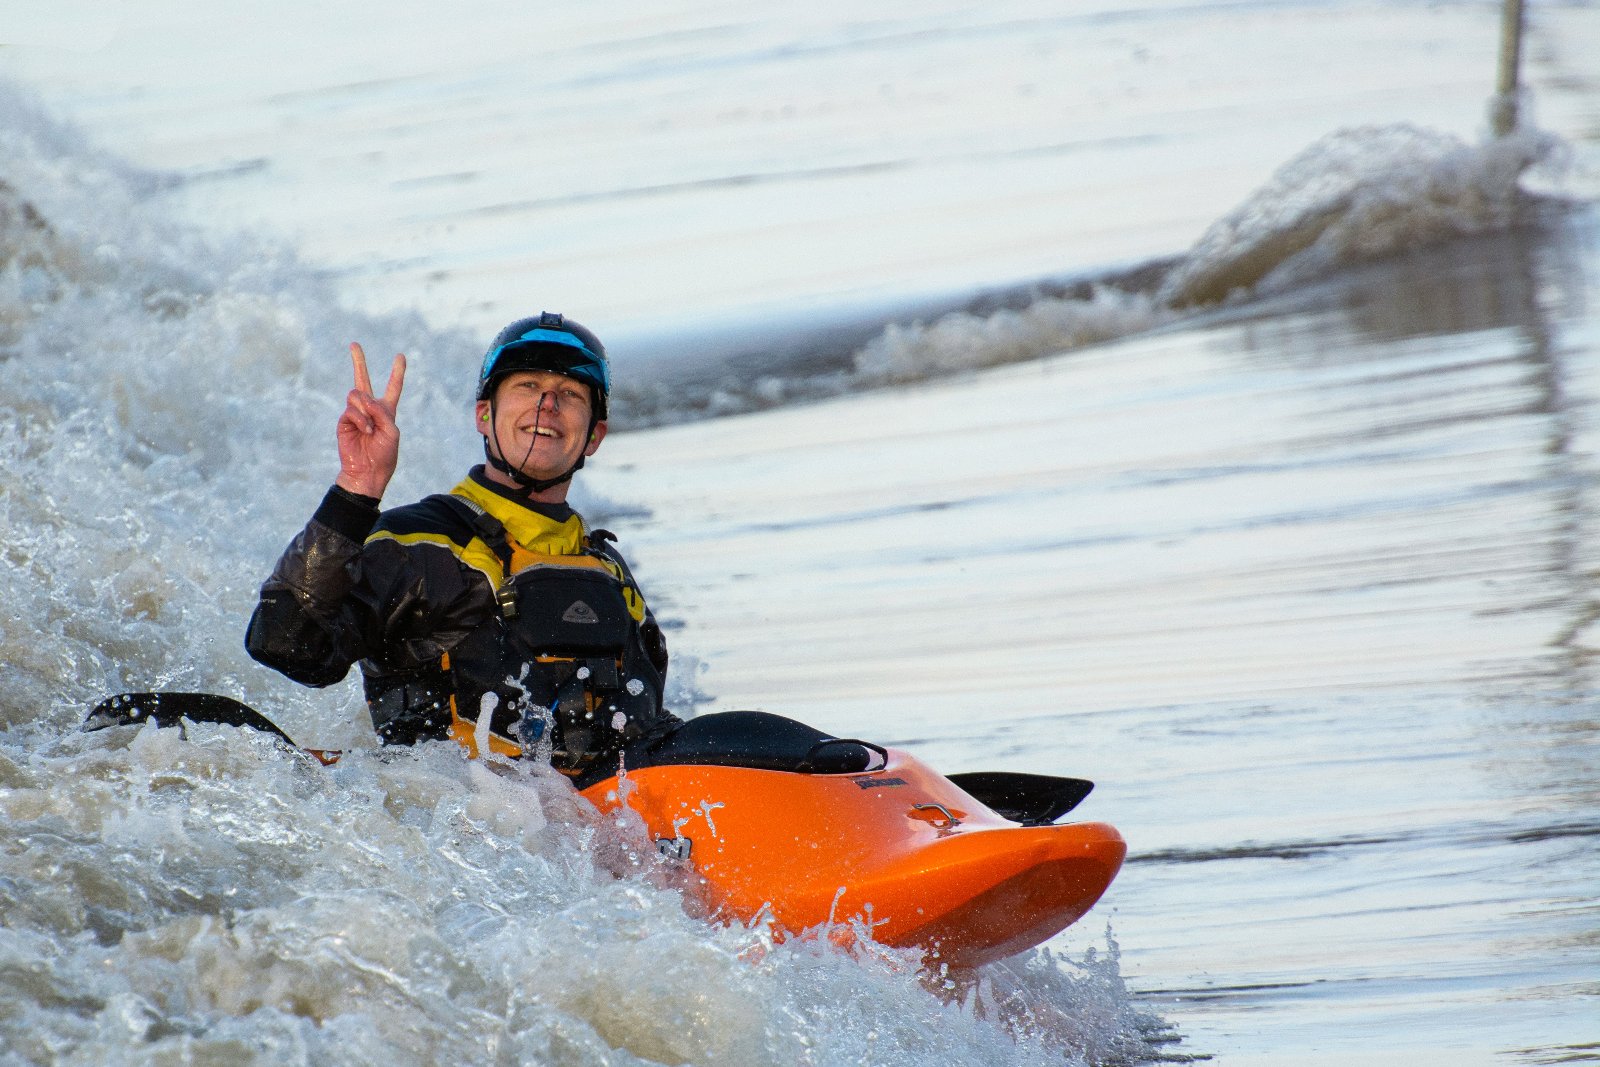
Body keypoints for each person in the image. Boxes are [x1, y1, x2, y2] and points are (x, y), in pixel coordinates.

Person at [245, 313, 680, 786]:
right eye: (527, 385)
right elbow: (285, 642)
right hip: (456, 829)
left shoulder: (609, 573)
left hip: (583, 835)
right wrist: (357, 489)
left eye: (571, 394)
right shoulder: (421, 547)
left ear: (593, 436)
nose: (548, 404)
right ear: (484, 416)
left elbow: (645, 734)